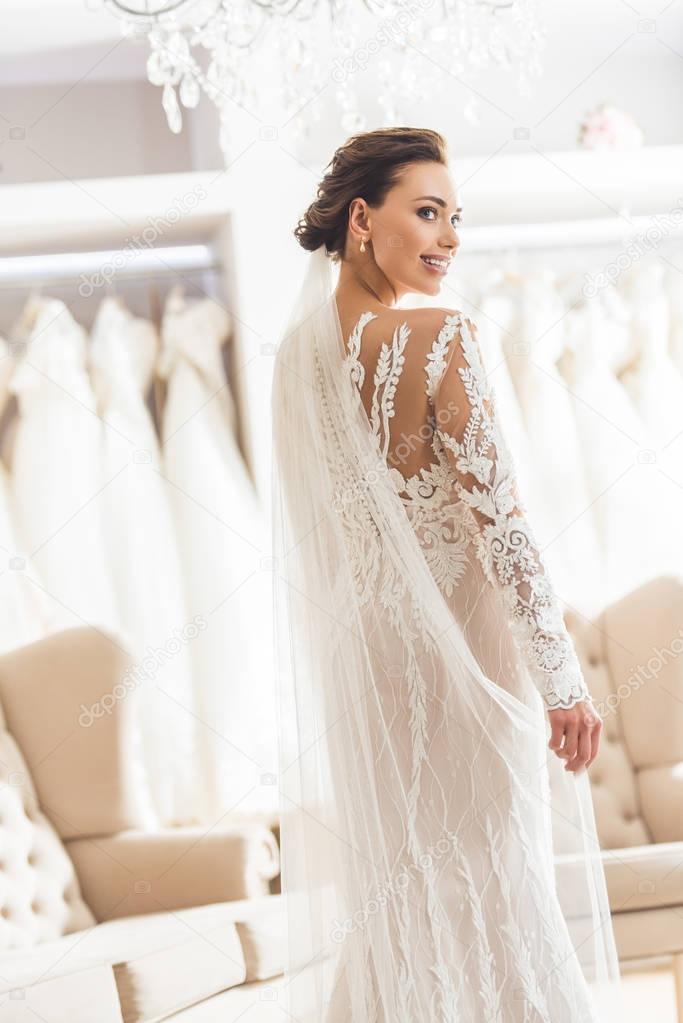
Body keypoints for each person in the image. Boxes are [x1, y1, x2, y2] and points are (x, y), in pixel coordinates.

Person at [271, 126, 624, 1021]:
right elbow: (500, 523)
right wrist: (560, 679)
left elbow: (318, 542)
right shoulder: (441, 334)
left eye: (454, 217)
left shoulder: (293, 358)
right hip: (462, 654)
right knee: (496, 871)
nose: (449, 238)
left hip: (363, 660)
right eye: (427, 212)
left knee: (400, 887)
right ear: (362, 218)